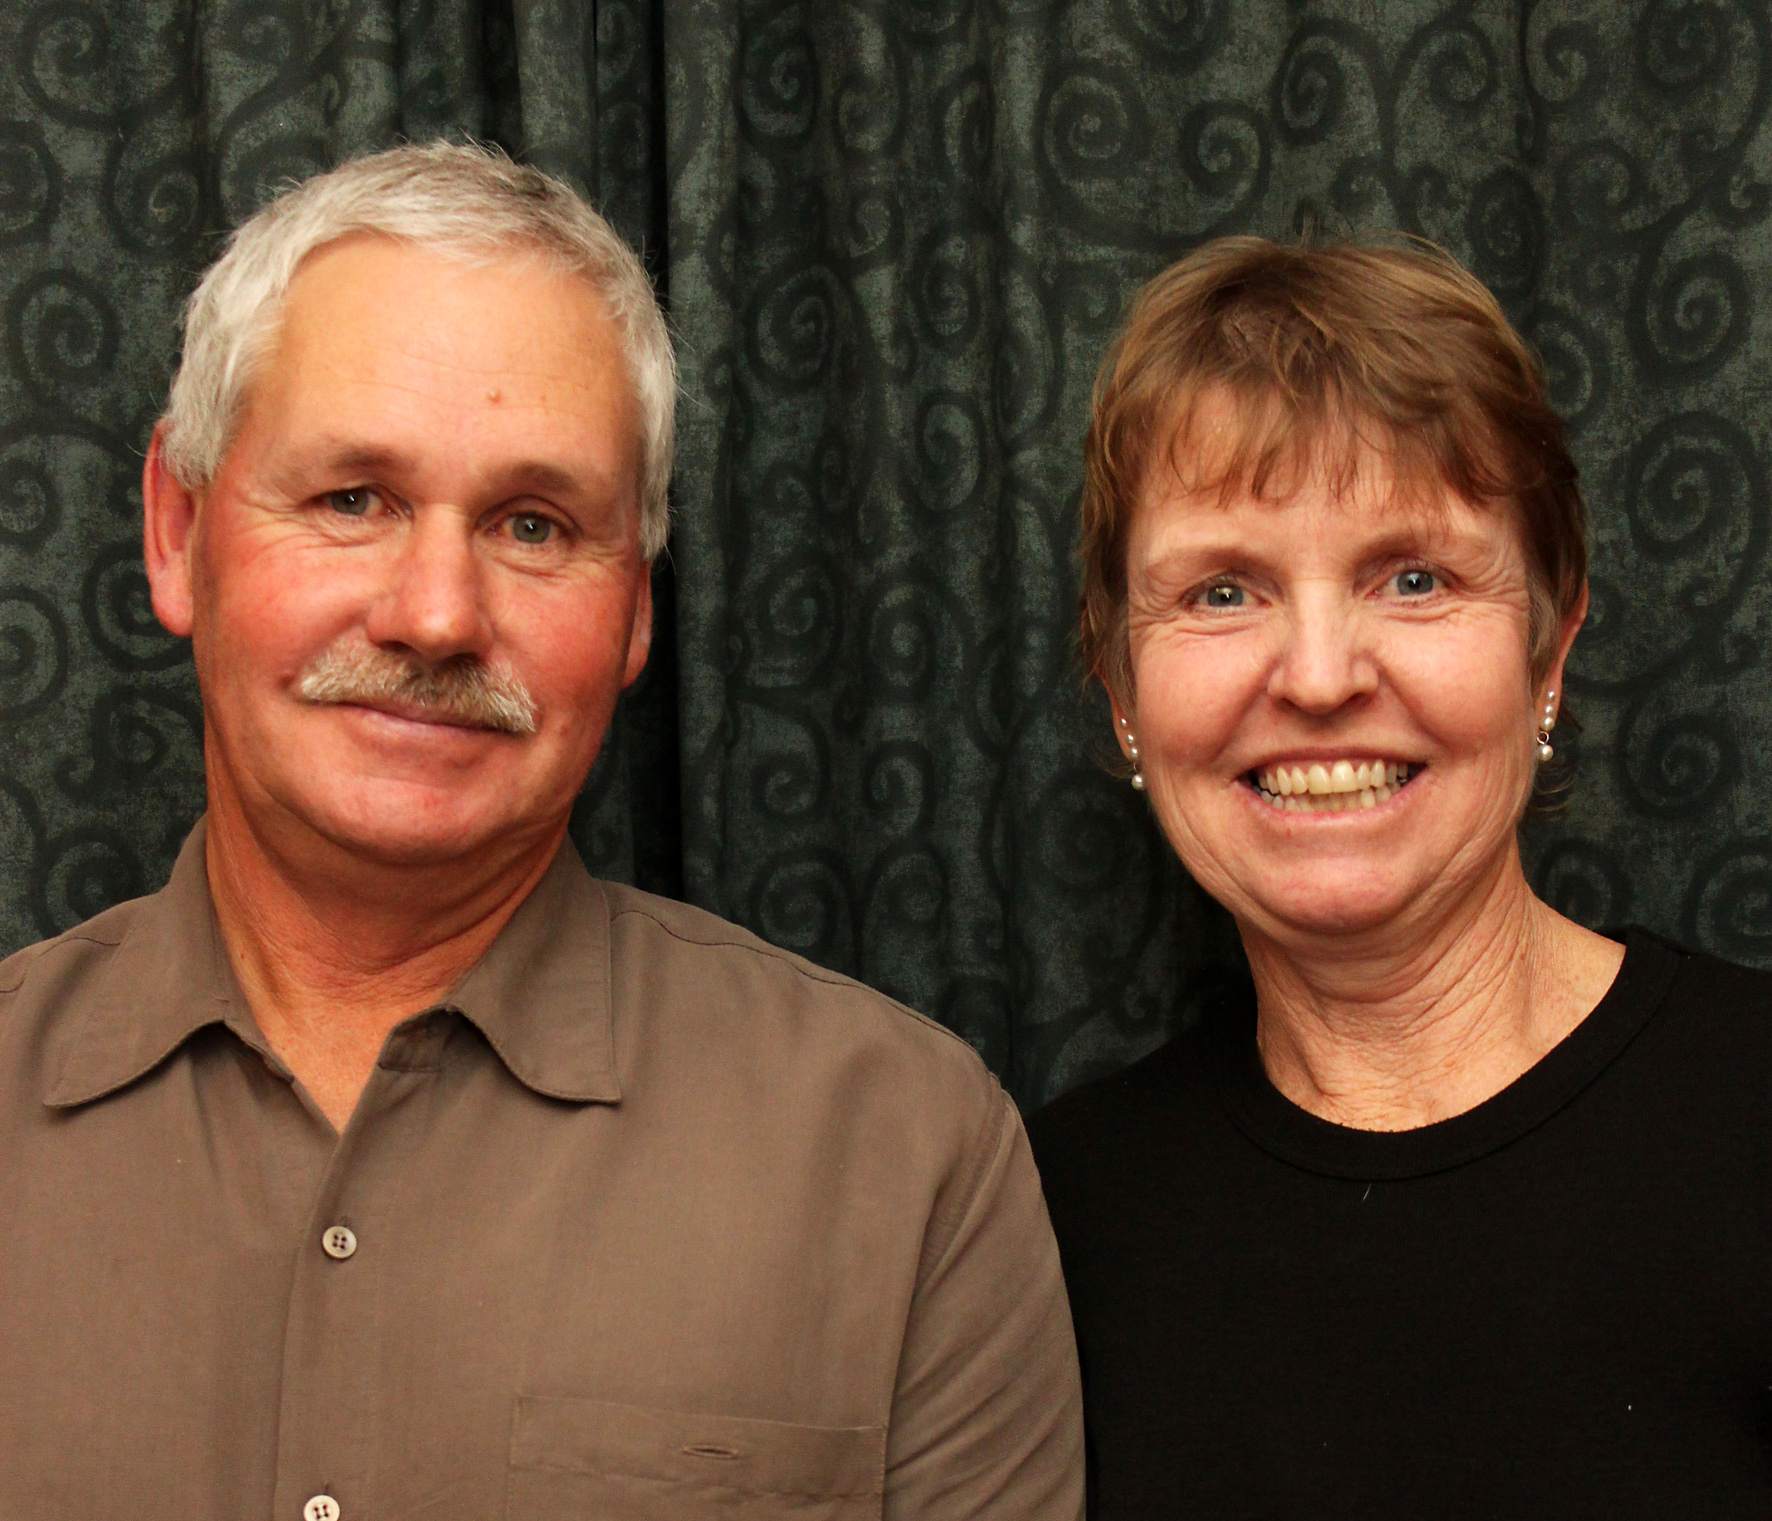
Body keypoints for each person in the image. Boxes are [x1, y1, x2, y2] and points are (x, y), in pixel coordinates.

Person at [0, 144, 1082, 1519]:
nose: (437, 614)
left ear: (636, 607)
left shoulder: (904, 1157)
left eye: (533, 523)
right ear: (177, 529)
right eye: (352, 500)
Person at [1027, 237, 1772, 1517]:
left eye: (1413, 577)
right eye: (1220, 591)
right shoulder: (1042, 1226)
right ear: (1118, 691)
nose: (1318, 676)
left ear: (1549, 645)